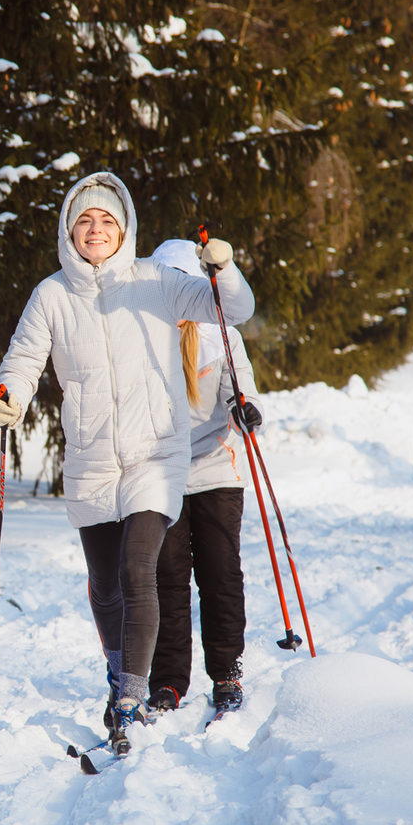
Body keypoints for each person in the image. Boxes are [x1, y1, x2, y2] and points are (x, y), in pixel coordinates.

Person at [0, 174, 255, 753]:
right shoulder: (52, 295)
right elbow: (26, 356)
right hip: (90, 458)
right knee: (106, 585)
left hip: (156, 452)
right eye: (85, 220)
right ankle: (119, 668)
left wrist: (222, 269)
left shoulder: (157, 281)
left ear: (125, 227)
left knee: (141, 569)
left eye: (107, 220)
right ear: (69, 230)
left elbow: (232, 309)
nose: (96, 230)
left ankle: (129, 698)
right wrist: (9, 394)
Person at [145, 239, 261, 718]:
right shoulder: (142, 337)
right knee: (166, 580)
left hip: (215, 466)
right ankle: (168, 682)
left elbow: (241, 389)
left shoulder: (222, 333)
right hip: (159, 471)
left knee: (220, 573)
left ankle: (227, 674)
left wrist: (244, 408)